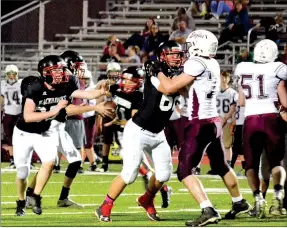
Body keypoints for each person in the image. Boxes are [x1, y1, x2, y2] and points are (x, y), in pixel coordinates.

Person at [157, 30, 251, 226]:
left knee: (184, 170)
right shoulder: (212, 63)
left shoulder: (195, 63)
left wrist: (157, 71)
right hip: (213, 121)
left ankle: (207, 209)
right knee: (220, 165)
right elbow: (187, 90)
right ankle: (239, 201)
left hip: (199, 123)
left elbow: (169, 88)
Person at [95, 40, 184, 222]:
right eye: (172, 54)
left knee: (164, 174)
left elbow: (185, 89)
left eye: (178, 54)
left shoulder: (176, 74)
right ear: (162, 57)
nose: (176, 58)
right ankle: (104, 205)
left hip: (158, 133)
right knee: (130, 174)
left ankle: (147, 200)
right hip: (138, 130)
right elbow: (168, 87)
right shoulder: (155, 72)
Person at [18, 55, 114, 216]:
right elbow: (67, 110)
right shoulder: (47, 85)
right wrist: (95, 108)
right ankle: (30, 196)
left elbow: (84, 95)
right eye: (73, 66)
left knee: (73, 161)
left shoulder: (69, 81)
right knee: (49, 163)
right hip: (46, 126)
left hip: (58, 125)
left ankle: (60, 198)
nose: (77, 70)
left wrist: (100, 91)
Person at [236, 39, 287, 218]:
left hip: (250, 120)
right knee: (275, 163)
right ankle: (278, 197)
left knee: (250, 165)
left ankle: (258, 202)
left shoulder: (243, 67)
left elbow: (241, 101)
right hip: (271, 118)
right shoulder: (278, 68)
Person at [0, 65, 22, 169]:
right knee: (10, 139)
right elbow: (1, 100)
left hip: (19, 114)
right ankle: (13, 161)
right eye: (10, 74)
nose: (12, 76)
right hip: (8, 114)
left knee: (22, 138)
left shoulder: (21, 84)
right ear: (6, 75)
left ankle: (23, 159)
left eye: (14, 74)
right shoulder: (2, 84)